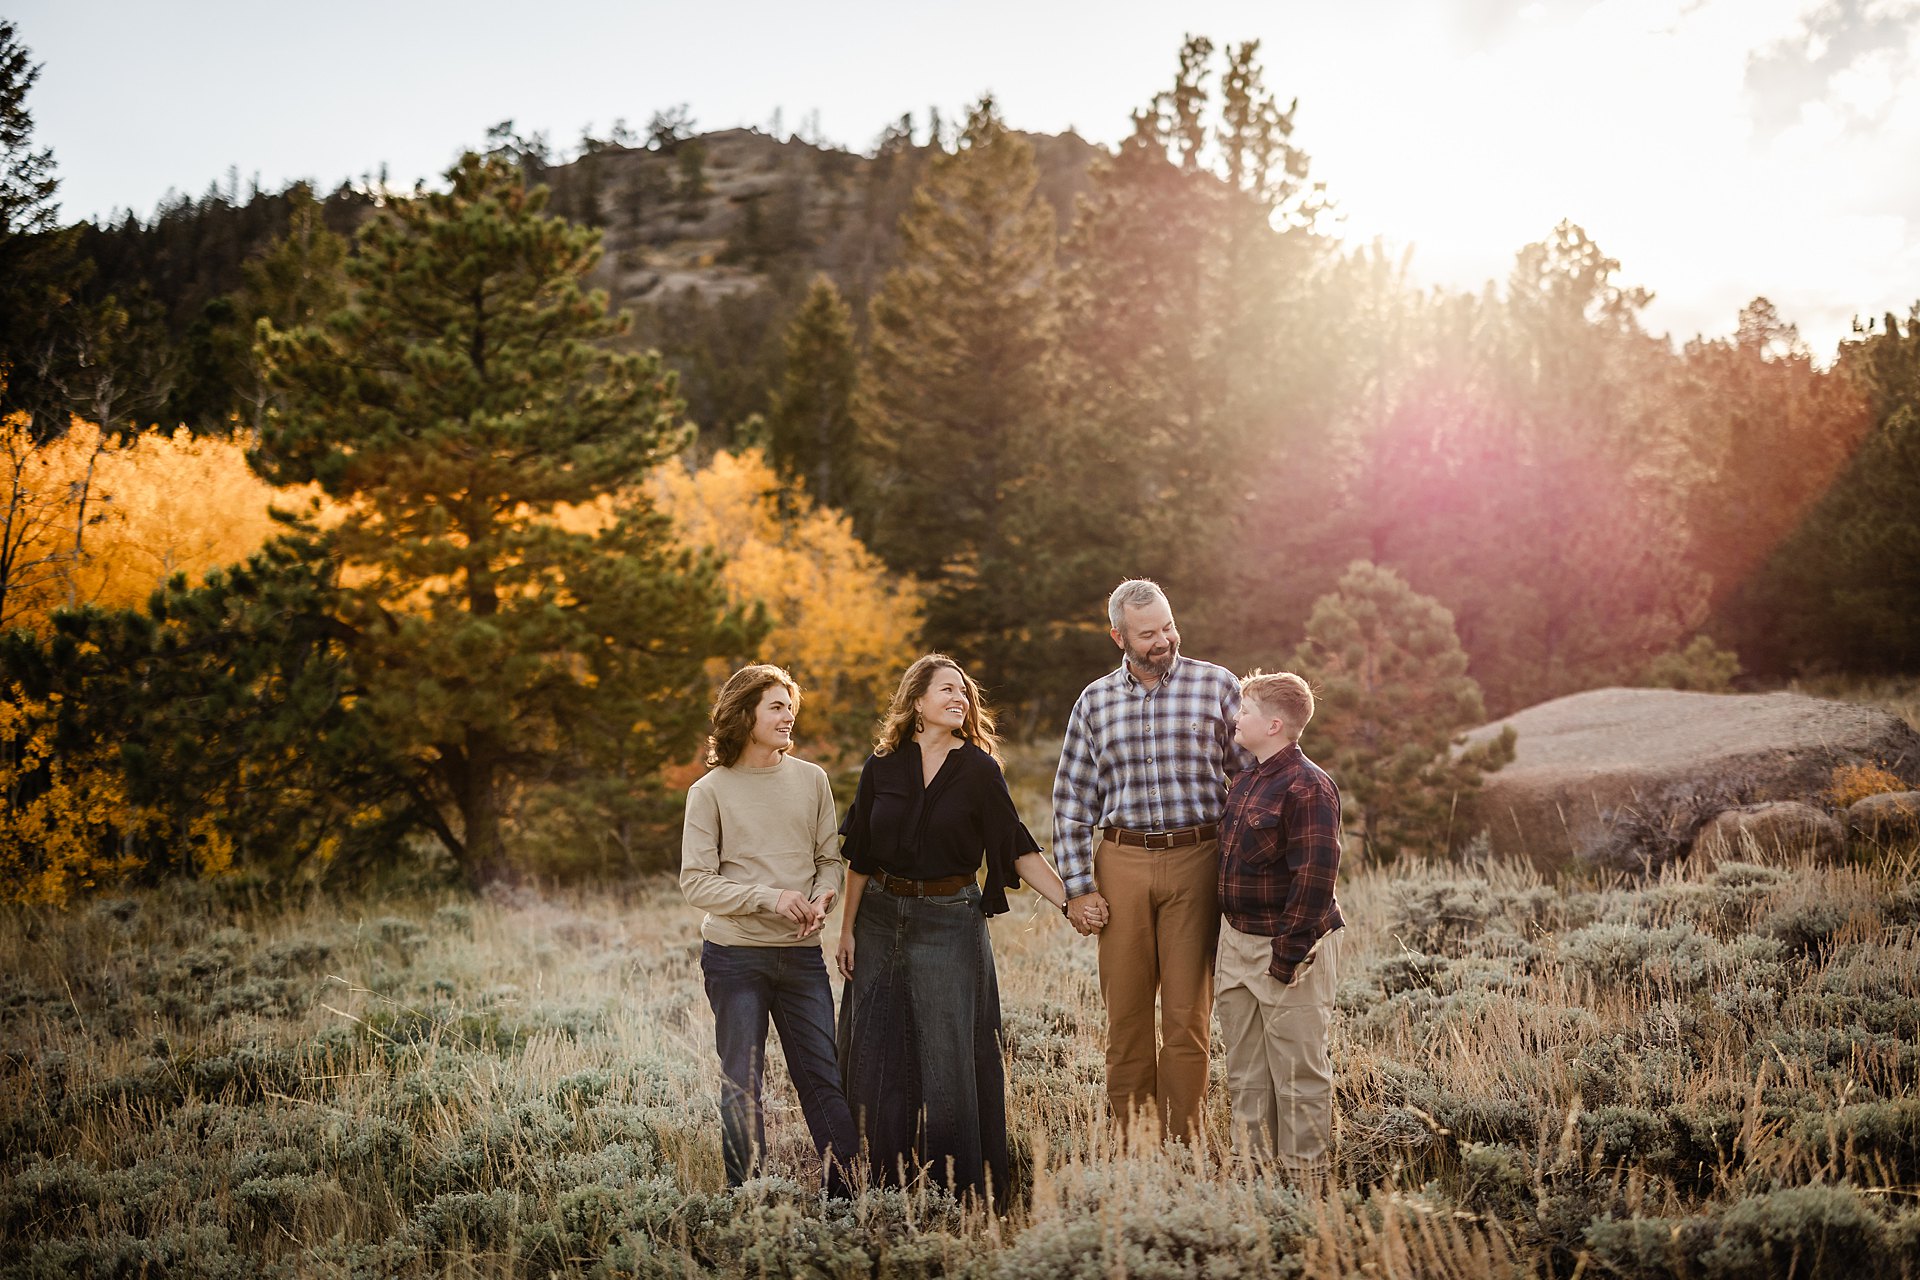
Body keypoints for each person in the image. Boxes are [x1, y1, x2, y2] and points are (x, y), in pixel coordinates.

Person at [835, 653, 1072, 1201]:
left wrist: (1069, 902)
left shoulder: (979, 769)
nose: (959, 697)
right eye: (946, 689)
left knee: (950, 1059)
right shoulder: (883, 765)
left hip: (949, 921)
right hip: (877, 919)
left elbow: (1014, 846)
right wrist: (845, 931)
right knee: (873, 1052)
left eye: (964, 691)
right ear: (917, 701)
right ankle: (872, 1184)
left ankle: (959, 1191)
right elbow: (861, 856)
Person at [1052, 579, 1249, 1142]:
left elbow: (1252, 776)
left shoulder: (1217, 686)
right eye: (1148, 633)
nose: (1163, 639)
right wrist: (1078, 888)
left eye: (1167, 625)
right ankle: (1135, 1146)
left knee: (1187, 1019)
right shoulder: (1093, 701)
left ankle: (1183, 1145)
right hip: (1122, 865)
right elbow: (1071, 802)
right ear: (1118, 636)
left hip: (1198, 860)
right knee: (1127, 1019)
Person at [680, 663, 858, 1195]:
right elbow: (696, 884)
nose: (789, 716)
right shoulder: (709, 791)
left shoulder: (812, 779)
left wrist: (824, 892)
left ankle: (846, 1199)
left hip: (801, 957)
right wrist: (770, 898)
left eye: (790, 706)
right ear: (745, 713)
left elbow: (830, 859)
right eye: (776, 706)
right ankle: (747, 1198)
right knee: (742, 1085)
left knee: (823, 1079)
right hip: (735, 958)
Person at [1215, 671, 1345, 1170]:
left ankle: (1304, 1180)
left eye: (1244, 711)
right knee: (1245, 1072)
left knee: (1298, 1072)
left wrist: (1287, 957)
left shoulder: (1309, 786)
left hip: (1290, 946)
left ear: (1272, 724)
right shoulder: (1246, 779)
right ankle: (1251, 1174)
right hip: (1237, 944)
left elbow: (1314, 881)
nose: (1235, 718)